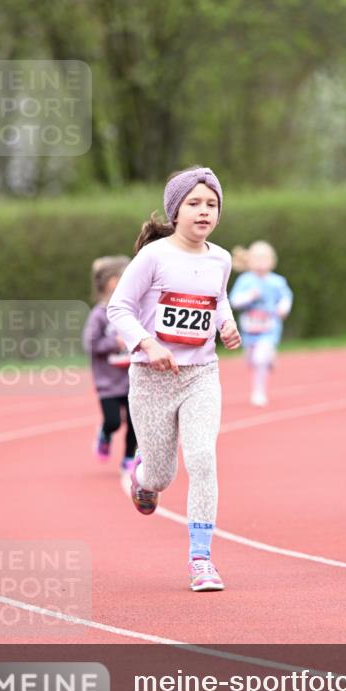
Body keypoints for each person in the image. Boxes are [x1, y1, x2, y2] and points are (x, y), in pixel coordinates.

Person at [107, 167, 241, 592]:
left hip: (201, 374)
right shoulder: (153, 257)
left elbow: (217, 298)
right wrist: (149, 345)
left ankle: (201, 558)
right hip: (152, 379)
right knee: (162, 476)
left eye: (212, 204)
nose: (205, 212)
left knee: (202, 460)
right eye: (195, 203)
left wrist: (227, 324)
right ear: (176, 210)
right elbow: (119, 309)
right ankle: (143, 477)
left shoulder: (221, 258)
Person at [82, 256, 137, 475]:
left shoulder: (133, 309)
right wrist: (114, 343)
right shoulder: (99, 315)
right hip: (108, 382)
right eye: (121, 277)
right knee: (114, 421)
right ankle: (105, 434)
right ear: (109, 282)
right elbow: (91, 343)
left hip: (133, 379)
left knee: (135, 423)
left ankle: (128, 458)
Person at [229, 241, 293, 406]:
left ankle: (259, 391)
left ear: (272, 261)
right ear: (249, 261)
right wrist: (249, 296)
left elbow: (286, 297)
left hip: (269, 327)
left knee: (259, 358)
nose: (261, 263)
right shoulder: (245, 280)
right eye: (257, 259)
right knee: (251, 360)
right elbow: (234, 301)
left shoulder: (277, 281)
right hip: (249, 329)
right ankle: (269, 357)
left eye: (265, 259)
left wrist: (283, 308)